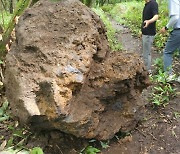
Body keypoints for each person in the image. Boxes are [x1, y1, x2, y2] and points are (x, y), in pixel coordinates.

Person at [160, 0, 180, 76]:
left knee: (167, 52)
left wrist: (166, 27)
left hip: (178, 31)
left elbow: (175, 17)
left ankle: (168, 76)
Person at [141, 0, 159, 73]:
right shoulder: (147, 4)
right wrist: (141, 31)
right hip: (145, 33)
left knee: (146, 53)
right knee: (145, 52)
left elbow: (156, 16)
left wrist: (149, 21)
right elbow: (145, 19)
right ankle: (146, 69)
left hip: (149, 33)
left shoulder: (153, 3)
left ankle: (147, 71)